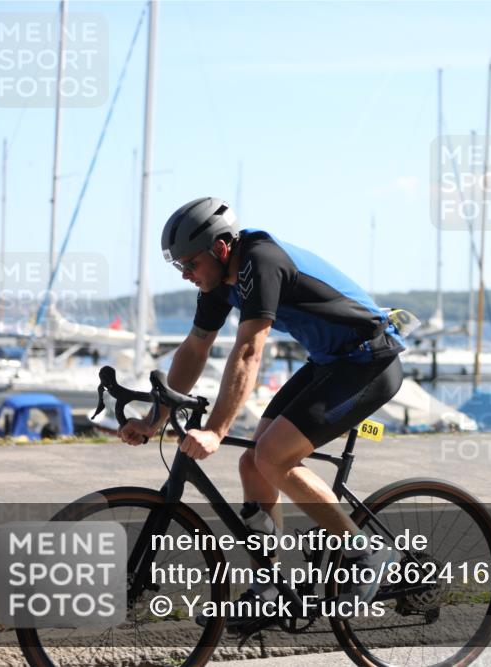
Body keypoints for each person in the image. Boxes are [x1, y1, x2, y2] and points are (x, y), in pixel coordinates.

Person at [119, 197, 405, 628]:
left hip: (371, 363)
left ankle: (365, 550)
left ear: (219, 249)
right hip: (331, 363)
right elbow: (195, 349)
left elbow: (249, 350)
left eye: (190, 264)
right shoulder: (217, 284)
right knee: (253, 462)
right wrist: (155, 419)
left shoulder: (261, 261)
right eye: (179, 267)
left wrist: (215, 429)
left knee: (273, 456)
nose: (186, 274)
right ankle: (269, 588)